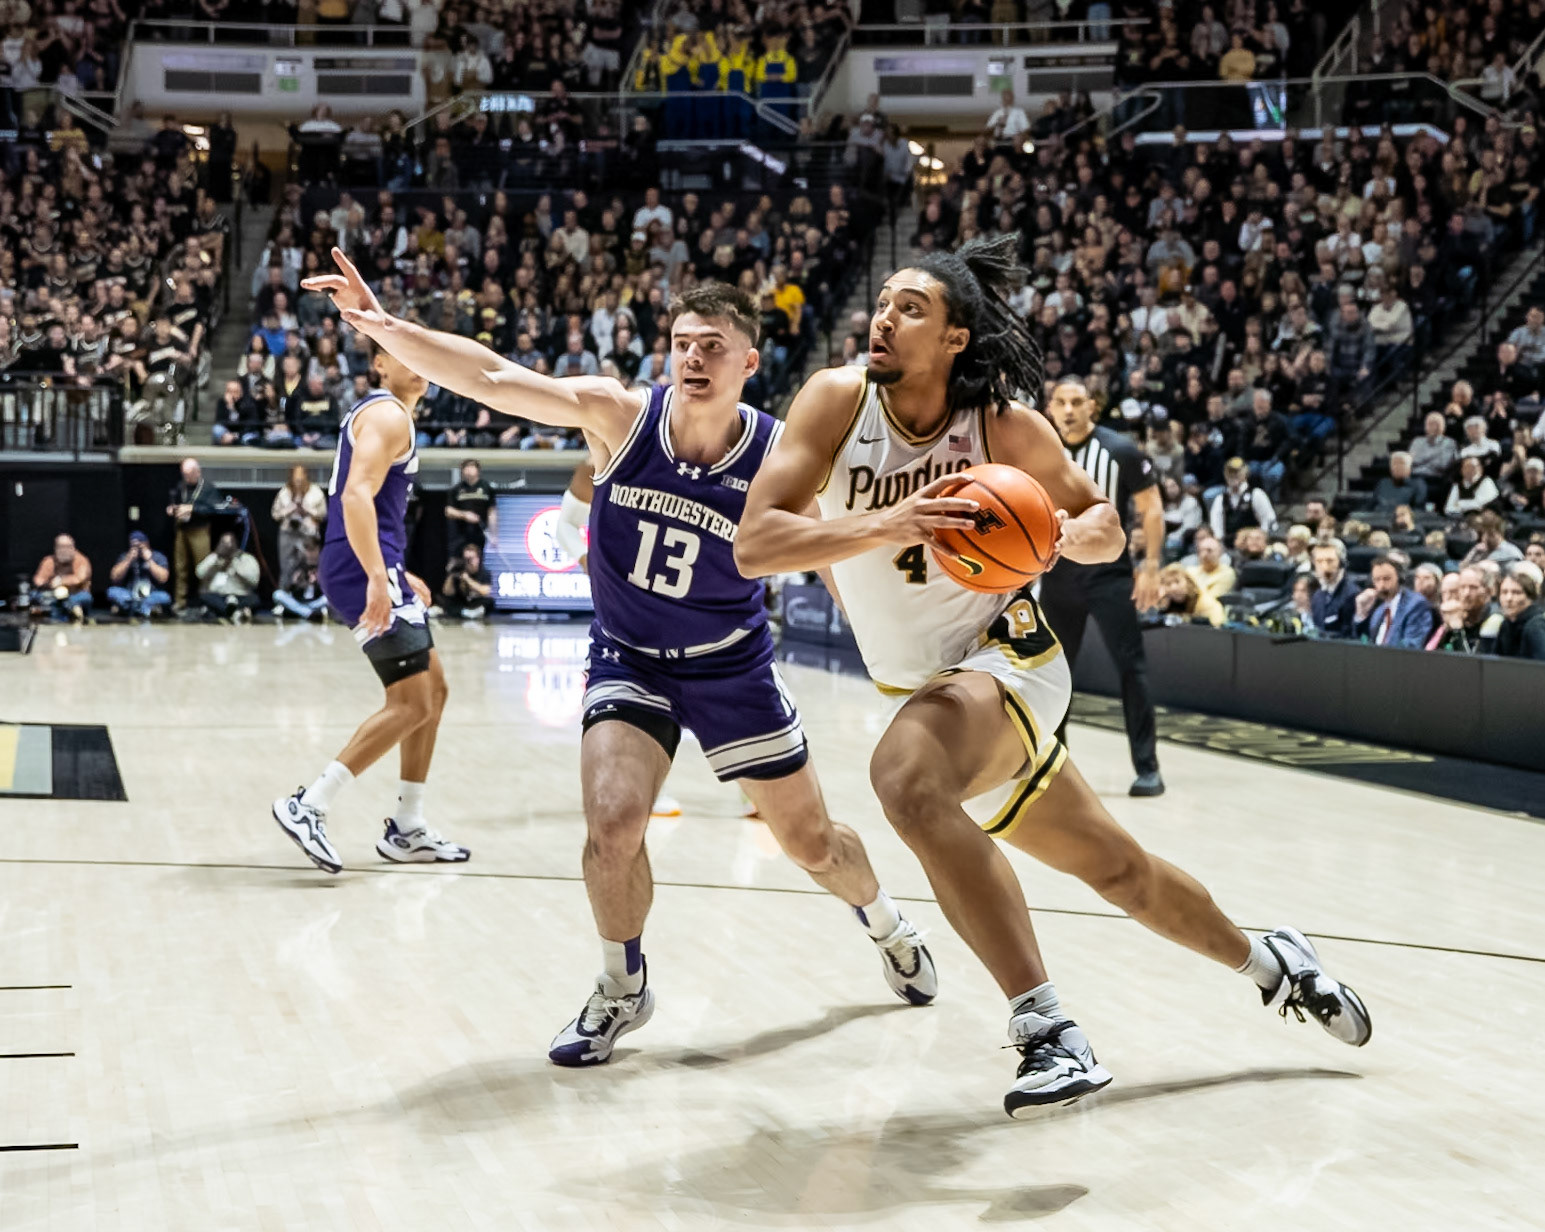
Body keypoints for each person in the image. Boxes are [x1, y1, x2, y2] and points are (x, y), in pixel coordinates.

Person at [736, 237, 1371, 1116]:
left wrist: (1065, 537)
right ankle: (1275, 964)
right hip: (922, 690)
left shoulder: (1002, 425)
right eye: (881, 303)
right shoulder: (836, 401)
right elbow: (754, 542)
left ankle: (1047, 1031)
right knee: (1119, 871)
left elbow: (1103, 523)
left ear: (955, 337)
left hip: (1006, 658)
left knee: (905, 782)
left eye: (910, 308)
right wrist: (891, 523)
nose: (882, 318)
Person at [306, 251, 935, 1065]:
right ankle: (621, 986)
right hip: (629, 657)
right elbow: (492, 377)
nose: (693, 358)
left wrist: (893, 665)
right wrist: (385, 325)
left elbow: (834, 566)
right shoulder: (620, 415)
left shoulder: (779, 458)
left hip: (731, 663)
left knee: (811, 842)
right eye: (682, 343)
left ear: (748, 363)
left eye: (712, 346)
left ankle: (887, 924)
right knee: (611, 822)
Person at [271, 338, 470, 874]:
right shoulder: (388, 414)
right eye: (406, 353)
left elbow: (371, 507)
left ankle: (408, 825)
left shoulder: (388, 414)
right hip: (360, 568)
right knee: (410, 703)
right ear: (379, 364)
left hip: (371, 563)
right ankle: (309, 805)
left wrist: (398, 572)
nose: (420, 363)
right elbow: (356, 496)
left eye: (424, 354)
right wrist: (380, 578)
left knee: (433, 692)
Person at [1039, 383, 1165, 796]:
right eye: (1061, 402)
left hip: (1109, 575)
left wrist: (1151, 566)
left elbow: (1152, 508)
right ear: (1050, 407)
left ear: (1092, 406)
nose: (1068, 410)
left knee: (1132, 668)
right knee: (1054, 673)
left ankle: (1148, 768)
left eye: (1077, 402)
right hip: (1057, 576)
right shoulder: (1040, 448)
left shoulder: (1120, 449)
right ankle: (1054, 769)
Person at [166, 458, 222, 613]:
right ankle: (180, 601)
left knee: (203, 568)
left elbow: (214, 509)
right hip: (182, 529)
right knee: (180, 567)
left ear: (198, 472)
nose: (187, 478)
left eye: (189, 474)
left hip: (199, 530)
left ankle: (207, 600)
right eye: (184, 474)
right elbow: (176, 501)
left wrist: (192, 509)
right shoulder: (181, 486)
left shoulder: (208, 488)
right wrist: (173, 509)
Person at [1352, 556, 1436, 648]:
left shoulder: (1416, 604)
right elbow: (1363, 641)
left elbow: (1411, 644)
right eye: (1377, 580)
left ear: (1399, 578)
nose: (1382, 585)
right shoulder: (1378, 610)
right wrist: (1361, 613)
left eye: (1387, 579)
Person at [271, 464, 327, 582]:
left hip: (308, 534)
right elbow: (275, 514)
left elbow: (323, 514)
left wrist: (308, 509)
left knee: (310, 567)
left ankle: (311, 588)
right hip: (288, 533)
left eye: (301, 478)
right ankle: (285, 589)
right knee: (287, 567)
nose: (298, 482)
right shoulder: (284, 492)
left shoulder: (316, 492)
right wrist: (288, 510)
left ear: (306, 476)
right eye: (296, 479)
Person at [196, 533, 262, 623]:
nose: (227, 546)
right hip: (219, 596)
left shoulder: (246, 559)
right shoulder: (213, 558)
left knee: (255, 599)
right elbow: (199, 573)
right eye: (223, 543)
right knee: (205, 597)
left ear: (235, 544)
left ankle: (224, 612)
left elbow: (254, 581)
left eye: (229, 543)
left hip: (241, 596)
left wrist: (235, 565)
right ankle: (235, 612)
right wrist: (215, 559)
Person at [106, 531, 172, 619]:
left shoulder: (158, 556)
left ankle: (129, 609)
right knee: (112, 591)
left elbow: (163, 578)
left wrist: (149, 560)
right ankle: (145, 610)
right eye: (134, 546)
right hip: (130, 595)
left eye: (140, 545)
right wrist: (128, 560)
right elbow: (114, 577)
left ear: (147, 543)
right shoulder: (125, 556)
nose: (138, 549)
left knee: (165, 597)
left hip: (151, 594)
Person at [32, 534, 92, 622]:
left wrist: (61, 581)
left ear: (73, 548)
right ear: (55, 548)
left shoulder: (81, 560)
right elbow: (38, 580)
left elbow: (80, 578)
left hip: (75, 594)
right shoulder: (49, 561)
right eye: (61, 547)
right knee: (34, 595)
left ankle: (73, 610)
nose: (64, 550)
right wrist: (49, 584)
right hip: (53, 595)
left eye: (68, 547)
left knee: (85, 598)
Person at [445, 458, 497, 557]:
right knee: (458, 560)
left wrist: (493, 535)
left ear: (478, 470)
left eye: (471, 467)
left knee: (477, 559)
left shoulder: (487, 488)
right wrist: (464, 515)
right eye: (466, 468)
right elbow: (448, 510)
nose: (468, 470)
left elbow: (492, 512)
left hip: (479, 532)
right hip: (460, 534)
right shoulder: (456, 489)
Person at [1309, 540, 1359, 638]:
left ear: (1341, 563)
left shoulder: (1352, 594)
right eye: (1319, 561)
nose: (1324, 567)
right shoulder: (1317, 596)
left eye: (1330, 561)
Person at [273, 538, 329, 621]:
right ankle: (308, 613)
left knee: (327, 599)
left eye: (313, 550)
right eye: (308, 550)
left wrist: (318, 582)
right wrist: (295, 583)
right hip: (299, 601)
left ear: (318, 550)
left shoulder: (324, 565)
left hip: (315, 602)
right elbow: (288, 590)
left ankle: (302, 612)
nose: (310, 554)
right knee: (277, 595)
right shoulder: (298, 565)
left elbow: (329, 590)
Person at [1495, 567, 1545, 659]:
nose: (1509, 598)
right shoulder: (1506, 624)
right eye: (1504, 592)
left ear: (1530, 597)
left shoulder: (1535, 626)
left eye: (1516, 592)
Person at [1156, 563, 1225, 625]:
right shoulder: (1166, 603)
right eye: (1168, 584)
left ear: (1188, 582)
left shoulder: (1204, 601)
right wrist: (1162, 606)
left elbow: (1217, 624)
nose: (1174, 588)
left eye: (1177, 582)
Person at [441, 541, 494, 618]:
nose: (468, 562)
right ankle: (464, 612)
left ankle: (475, 612)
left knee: (490, 602)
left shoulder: (484, 572)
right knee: (448, 602)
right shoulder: (459, 570)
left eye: (471, 559)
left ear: (478, 559)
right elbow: (447, 592)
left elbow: (485, 591)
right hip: (463, 603)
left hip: (476, 602)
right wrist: (450, 574)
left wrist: (467, 579)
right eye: (466, 559)